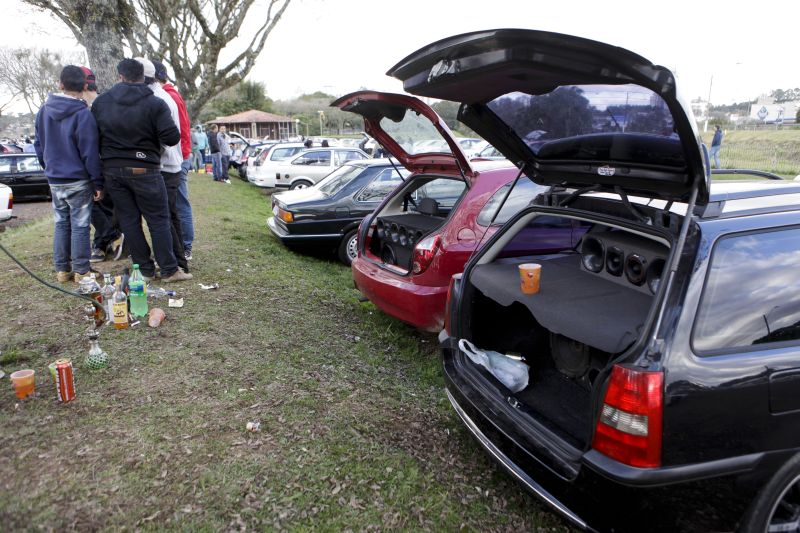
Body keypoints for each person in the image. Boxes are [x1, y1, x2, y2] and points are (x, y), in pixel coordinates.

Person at [91, 58, 191, 283]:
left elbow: (92, 137)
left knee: (129, 221)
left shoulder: (101, 103)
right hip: (146, 168)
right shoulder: (155, 103)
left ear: (120, 76)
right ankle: (168, 269)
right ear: (143, 78)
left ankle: (144, 270)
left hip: (113, 170)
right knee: (158, 219)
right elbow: (172, 137)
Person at [34, 65, 104, 282]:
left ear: (60, 84)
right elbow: (89, 152)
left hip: (55, 178)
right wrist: (98, 182)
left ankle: (63, 269)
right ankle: (82, 270)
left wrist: (48, 167)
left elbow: (38, 145)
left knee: (61, 223)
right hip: (78, 178)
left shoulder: (43, 111)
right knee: (80, 224)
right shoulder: (83, 114)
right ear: (84, 86)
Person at [135, 57, 189, 274]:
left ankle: (176, 263)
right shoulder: (163, 96)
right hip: (171, 164)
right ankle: (179, 260)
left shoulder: (159, 99)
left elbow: (167, 137)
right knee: (170, 215)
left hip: (165, 166)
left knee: (164, 217)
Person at [80, 66, 126, 264]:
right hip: (88, 163)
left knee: (105, 204)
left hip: (106, 160)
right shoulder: (77, 107)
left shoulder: (103, 103)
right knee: (95, 205)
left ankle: (104, 241)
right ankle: (104, 240)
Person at [153, 60, 195, 261]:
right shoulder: (172, 94)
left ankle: (185, 246)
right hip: (181, 153)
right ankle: (181, 246)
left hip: (178, 156)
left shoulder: (168, 96)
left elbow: (177, 131)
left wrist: (181, 154)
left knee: (179, 204)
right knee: (177, 204)